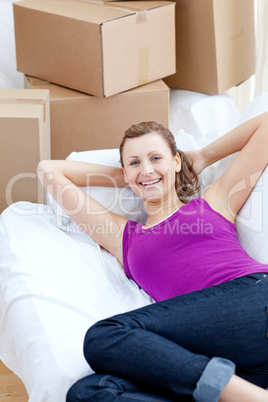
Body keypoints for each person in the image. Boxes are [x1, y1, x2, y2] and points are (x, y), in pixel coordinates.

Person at [37, 115, 268, 402]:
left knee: (104, 336)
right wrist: (135, 177)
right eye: (134, 162)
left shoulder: (214, 202)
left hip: (254, 302)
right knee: (90, 392)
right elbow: (48, 170)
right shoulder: (124, 237)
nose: (146, 168)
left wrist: (201, 156)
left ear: (176, 161)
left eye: (156, 158)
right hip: (231, 364)